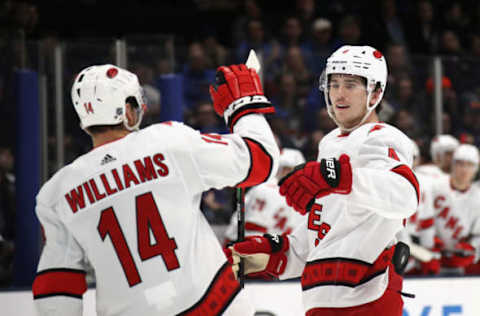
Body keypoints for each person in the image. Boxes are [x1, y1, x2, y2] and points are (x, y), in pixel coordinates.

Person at [32, 64, 279, 316]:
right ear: (127, 111)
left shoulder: (57, 192)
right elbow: (262, 161)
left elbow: (56, 286)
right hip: (213, 306)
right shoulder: (167, 141)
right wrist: (244, 107)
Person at [227, 45, 419, 316]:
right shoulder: (330, 145)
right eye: (334, 84)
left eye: (351, 85)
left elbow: (404, 196)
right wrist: (271, 254)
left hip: (368, 298)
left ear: (375, 93)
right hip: (322, 300)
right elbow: (320, 238)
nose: (339, 93)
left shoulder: (382, 136)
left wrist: (337, 176)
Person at [224, 147, 305, 245]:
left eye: (290, 170)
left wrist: (228, 237)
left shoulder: (260, 187)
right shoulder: (295, 194)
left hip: (247, 240)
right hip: (266, 244)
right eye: (286, 169)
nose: (288, 173)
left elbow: (238, 215)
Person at [431, 144, 480, 276]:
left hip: (461, 261)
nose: (464, 169)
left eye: (470, 165)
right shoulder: (435, 186)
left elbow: (477, 234)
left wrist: (471, 247)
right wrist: (430, 241)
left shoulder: (478, 197)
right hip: (431, 257)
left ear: (476, 168)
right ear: (453, 164)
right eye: (460, 164)